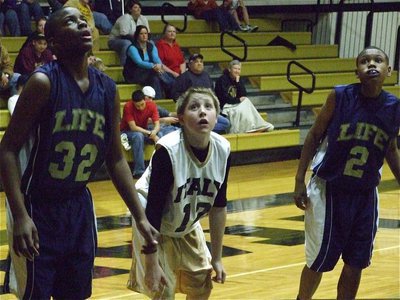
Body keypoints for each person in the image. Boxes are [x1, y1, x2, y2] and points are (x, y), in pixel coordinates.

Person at [0, 7, 157, 299]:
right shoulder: (43, 83)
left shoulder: (107, 89)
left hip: (79, 208)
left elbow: (115, 158)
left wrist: (140, 217)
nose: (82, 25)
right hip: (38, 207)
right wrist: (20, 215)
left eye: (83, 20)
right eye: (71, 22)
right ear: (55, 44)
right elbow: (7, 150)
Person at [293, 46, 400, 300]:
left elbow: (391, 149)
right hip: (330, 188)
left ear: (389, 70)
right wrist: (299, 179)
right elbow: (314, 135)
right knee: (319, 260)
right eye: (365, 61)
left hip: (365, 193)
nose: (371, 64)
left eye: (378, 60)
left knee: (357, 261)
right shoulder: (340, 96)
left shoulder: (394, 107)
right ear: (357, 72)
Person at [127, 87, 231, 299]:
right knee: (163, 290)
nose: (202, 111)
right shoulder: (168, 151)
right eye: (194, 107)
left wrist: (218, 258)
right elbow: (154, 210)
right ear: (181, 119)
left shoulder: (223, 149)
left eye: (208, 107)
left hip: (185, 222)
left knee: (201, 285)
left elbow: (219, 207)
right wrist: (151, 262)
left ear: (216, 116)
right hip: (152, 221)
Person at [171, 53, 230, 134]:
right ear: (190, 64)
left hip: (207, 109)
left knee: (225, 123)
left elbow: (213, 93)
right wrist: (185, 106)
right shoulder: (183, 78)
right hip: (193, 110)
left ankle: (197, 129)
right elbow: (175, 94)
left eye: (201, 62)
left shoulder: (206, 76)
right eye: (196, 62)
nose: (199, 63)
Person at [120, 89, 171, 178]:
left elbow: (157, 124)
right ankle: (139, 171)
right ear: (133, 103)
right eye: (137, 106)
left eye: (142, 104)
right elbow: (133, 127)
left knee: (161, 135)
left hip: (143, 130)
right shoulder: (128, 106)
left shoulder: (151, 105)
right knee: (138, 136)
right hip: (126, 133)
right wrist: (149, 133)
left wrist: (154, 133)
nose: (140, 107)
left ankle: (162, 168)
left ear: (145, 100)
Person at [215, 59, 274, 133]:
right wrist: (238, 100)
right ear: (230, 69)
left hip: (235, 103)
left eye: (239, 69)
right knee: (241, 109)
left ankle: (256, 126)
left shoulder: (238, 79)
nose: (237, 71)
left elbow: (244, 95)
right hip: (226, 105)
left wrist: (238, 82)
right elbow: (223, 97)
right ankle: (248, 128)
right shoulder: (222, 80)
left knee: (246, 101)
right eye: (235, 68)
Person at [123, 25, 172, 99]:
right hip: (134, 73)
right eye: (141, 34)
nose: (144, 36)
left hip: (149, 71)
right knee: (156, 75)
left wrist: (159, 65)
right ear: (137, 35)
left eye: (145, 33)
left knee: (155, 78)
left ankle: (160, 99)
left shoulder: (151, 46)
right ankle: (171, 85)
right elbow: (139, 62)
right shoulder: (132, 48)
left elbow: (156, 58)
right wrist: (153, 66)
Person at [108, 0, 150, 65]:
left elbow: (148, 34)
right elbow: (124, 36)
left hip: (136, 39)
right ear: (130, 9)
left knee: (150, 43)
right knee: (127, 43)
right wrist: (139, 42)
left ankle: (148, 64)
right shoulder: (125, 18)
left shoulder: (143, 18)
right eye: (135, 7)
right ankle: (124, 66)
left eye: (139, 7)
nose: (138, 9)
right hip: (116, 40)